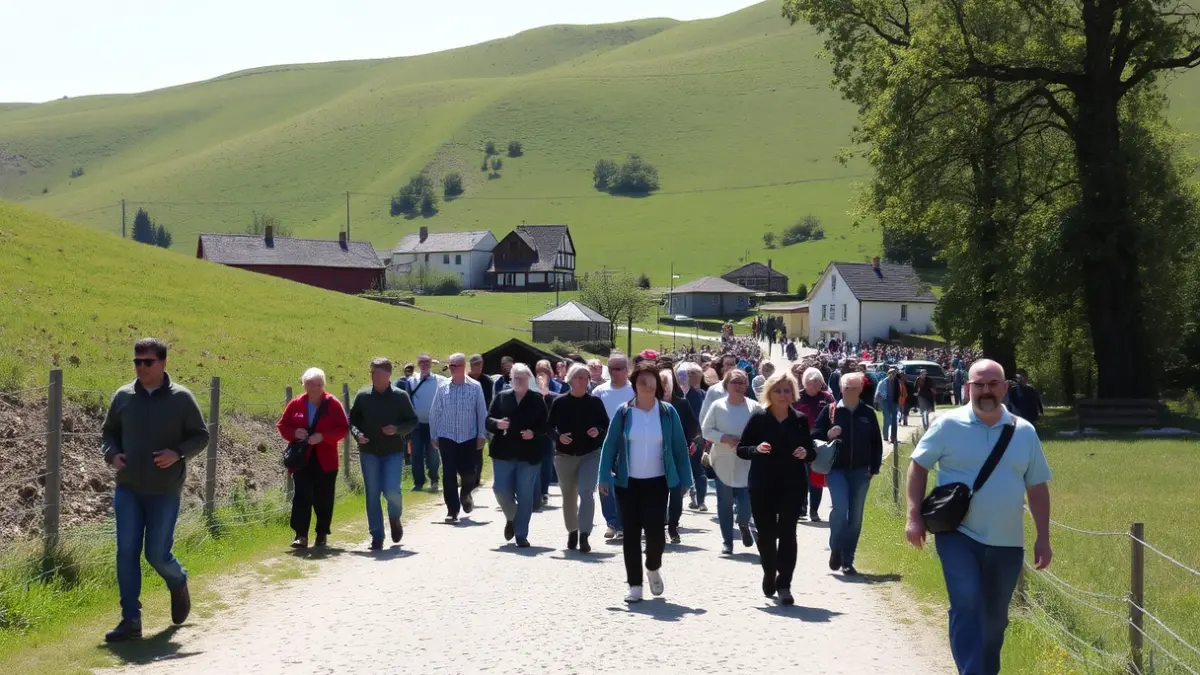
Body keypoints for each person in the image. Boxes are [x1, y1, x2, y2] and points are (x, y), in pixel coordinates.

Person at [907, 359, 1053, 675]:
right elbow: (918, 466)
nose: (986, 390)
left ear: (1004, 387)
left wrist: (1043, 537)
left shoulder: (1024, 432)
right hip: (957, 535)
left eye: (993, 384)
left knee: (995, 618)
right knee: (967, 603)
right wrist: (913, 517)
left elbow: (1037, 487)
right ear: (968, 387)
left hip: (1007, 541)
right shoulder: (947, 425)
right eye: (979, 384)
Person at [101, 338, 210, 642]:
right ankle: (130, 619)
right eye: (137, 361)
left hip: (164, 490)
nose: (141, 367)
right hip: (128, 488)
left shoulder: (181, 398)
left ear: (163, 363)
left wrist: (178, 453)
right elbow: (108, 432)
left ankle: (178, 581)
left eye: (147, 362)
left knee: (157, 554)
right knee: (126, 551)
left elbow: (201, 436)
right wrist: (112, 454)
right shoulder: (123, 396)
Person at [598, 362, 692, 603]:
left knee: (655, 534)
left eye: (651, 379)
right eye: (641, 379)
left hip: (657, 483)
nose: (646, 383)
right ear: (634, 383)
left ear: (658, 384)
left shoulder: (668, 413)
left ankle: (652, 567)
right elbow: (609, 446)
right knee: (630, 534)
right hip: (627, 483)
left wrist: (686, 479)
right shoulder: (623, 412)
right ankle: (634, 585)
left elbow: (680, 448)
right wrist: (603, 477)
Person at [737, 371, 815, 605]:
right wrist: (756, 449)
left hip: (793, 485)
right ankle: (769, 572)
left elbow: (811, 450)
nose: (782, 395)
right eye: (777, 390)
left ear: (793, 393)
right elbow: (742, 449)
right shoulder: (758, 418)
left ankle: (784, 584)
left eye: (787, 390)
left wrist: (805, 452)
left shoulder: (800, 419)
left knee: (788, 533)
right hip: (763, 485)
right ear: (769, 393)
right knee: (767, 535)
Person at [811, 372, 882, 575]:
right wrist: (828, 434)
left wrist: (874, 468)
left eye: (854, 388)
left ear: (861, 389)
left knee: (856, 517)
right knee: (841, 510)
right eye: (846, 388)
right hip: (837, 469)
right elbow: (814, 434)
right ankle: (836, 547)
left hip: (861, 471)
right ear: (841, 389)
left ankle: (847, 559)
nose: (850, 391)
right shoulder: (831, 410)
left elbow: (876, 443)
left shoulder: (868, 413)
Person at [350, 358, 418, 550]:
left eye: (377, 372)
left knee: (391, 490)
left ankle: (395, 518)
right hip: (369, 452)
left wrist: (397, 429)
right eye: (372, 372)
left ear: (388, 374)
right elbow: (352, 421)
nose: (373, 376)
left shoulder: (400, 396)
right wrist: (358, 435)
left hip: (393, 452)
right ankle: (377, 536)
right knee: (372, 494)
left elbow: (412, 421)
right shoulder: (363, 396)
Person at [549, 363, 610, 553]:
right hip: (564, 456)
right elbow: (548, 427)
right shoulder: (559, 402)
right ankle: (572, 531)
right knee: (569, 496)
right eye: (577, 377)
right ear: (570, 379)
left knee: (586, 492)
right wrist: (558, 437)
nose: (581, 380)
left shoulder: (595, 402)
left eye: (585, 377)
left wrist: (597, 430)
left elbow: (605, 424)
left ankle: (584, 535)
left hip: (590, 454)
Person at [486, 363, 548, 547]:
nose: (519, 381)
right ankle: (512, 517)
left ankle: (521, 534)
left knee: (525, 494)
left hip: (529, 455)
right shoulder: (501, 397)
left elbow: (546, 425)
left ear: (529, 380)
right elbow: (488, 420)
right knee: (500, 489)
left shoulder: (536, 399)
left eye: (522, 378)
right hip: (503, 452)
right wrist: (497, 424)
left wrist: (533, 433)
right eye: (515, 378)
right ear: (511, 379)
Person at [701, 368, 761, 554]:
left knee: (746, 502)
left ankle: (743, 523)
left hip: (746, 462)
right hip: (722, 461)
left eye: (743, 382)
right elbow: (706, 430)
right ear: (727, 385)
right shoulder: (717, 406)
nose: (739, 386)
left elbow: (763, 432)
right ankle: (727, 542)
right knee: (725, 503)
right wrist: (724, 438)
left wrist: (751, 443)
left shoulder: (754, 408)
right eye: (735, 382)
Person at [428, 353, 489, 523]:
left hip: (468, 436)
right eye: (450, 366)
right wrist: (434, 434)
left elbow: (481, 412)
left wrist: (481, 434)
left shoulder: (475, 387)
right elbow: (435, 411)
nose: (451, 369)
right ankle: (452, 510)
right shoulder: (442, 387)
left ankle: (466, 494)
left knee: (470, 474)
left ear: (462, 367)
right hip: (447, 436)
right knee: (449, 473)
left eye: (454, 366)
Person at [592, 353, 635, 539]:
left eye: (619, 369)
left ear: (627, 370)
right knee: (606, 481)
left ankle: (627, 522)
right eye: (611, 369)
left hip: (631, 443)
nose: (615, 372)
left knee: (628, 483)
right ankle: (611, 522)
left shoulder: (635, 390)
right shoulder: (599, 392)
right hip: (605, 443)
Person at [661, 367, 700, 544]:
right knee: (659, 493)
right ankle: (659, 524)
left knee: (676, 492)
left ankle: (673, 526)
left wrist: (692, 442)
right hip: (657, 455)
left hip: (678, 454)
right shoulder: (651, 406)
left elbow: (694, 427)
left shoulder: (682, 404)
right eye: (661, 385)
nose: (664, 389)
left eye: (667, 385)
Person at [795, 367, 834, 522]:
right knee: (801, 477)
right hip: (800, 442)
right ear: (805, 383)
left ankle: (814, 510)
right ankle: (801, 508)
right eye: (811, 382)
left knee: (816, 477)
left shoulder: (827, 398)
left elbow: (833, 415)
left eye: (818, 382)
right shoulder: (797, 397)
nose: (815, 385)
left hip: (820, 443)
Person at [407, 353, 445, 492]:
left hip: (434, 423)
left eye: (427, 362)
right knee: (416, 454)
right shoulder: (411, 381)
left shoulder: (440, 380)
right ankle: (418, 483)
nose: (424, 365)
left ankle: (434, 481)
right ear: (418, 364)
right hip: (416, 424)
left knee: (433, 453)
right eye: (421, 362)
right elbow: (408, 401)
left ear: (431, 364)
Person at [678, 363, 709, 512]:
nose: (689, 377)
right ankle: (695, 499)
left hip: (695, 436)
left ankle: (699, 500)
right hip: (688, 435)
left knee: (696, 468)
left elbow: (700, 418)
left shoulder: (699, 395)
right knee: (691, 468)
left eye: (693, 374)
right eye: (688, 374)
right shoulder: (683, 393)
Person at [534, 359, 563, 507]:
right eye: (539, 371)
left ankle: (544, 492)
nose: (542, 374)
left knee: (546, 463)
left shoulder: (556, 388)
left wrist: (547, 393)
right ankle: (534, 492)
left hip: (548, 432)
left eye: (545, 371)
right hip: (533, 433)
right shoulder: (531, 388)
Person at [467, 354, 493, 487]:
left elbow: (490, 400)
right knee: (466, 450)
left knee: (479, 449)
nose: (479, 367)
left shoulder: (487, 381)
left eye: (480, 364)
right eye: (476, 364)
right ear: (471, 366)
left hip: (482, 419)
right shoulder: (465, 379)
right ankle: (466, 476)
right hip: (467, 419)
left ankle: (476, 478)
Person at [876, 368, 901, 444]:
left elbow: (899, 392)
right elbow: (878, 392)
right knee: (887, 418)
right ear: (888, 374)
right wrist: (876, 402)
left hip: (894, 402)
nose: (892, 375)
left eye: (894, 374)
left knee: (894, 420)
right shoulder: (882, 382)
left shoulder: (897, 382)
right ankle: (885, 435)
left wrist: (898, 402)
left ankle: (894, 437)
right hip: (884, 402)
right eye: (891, 373)